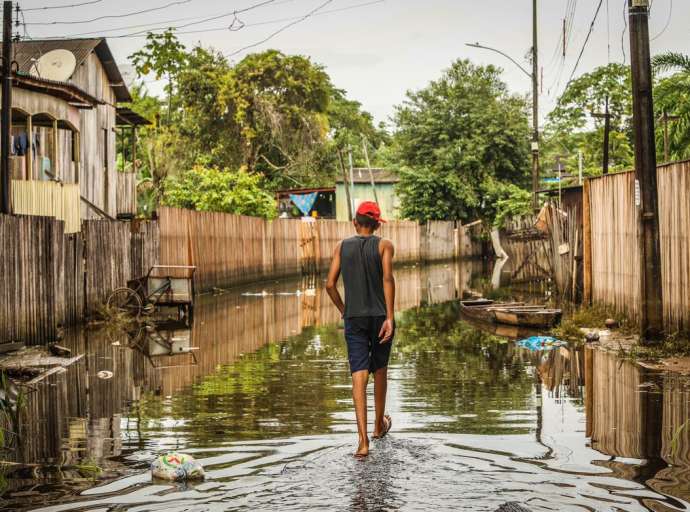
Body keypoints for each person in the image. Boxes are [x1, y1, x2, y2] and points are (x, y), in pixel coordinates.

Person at [325, 201, 395, 458]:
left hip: (354, 318)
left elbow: (330, 285)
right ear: (377, 225)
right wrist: (390, 317)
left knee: (359, 375)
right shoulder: (384, 245)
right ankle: (378, 426)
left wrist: (344, 309)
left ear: (355, 222)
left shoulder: (341, 247)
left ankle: (363, 442)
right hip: (379, 317)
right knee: (380, 370)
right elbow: (388, 279)